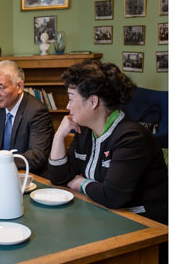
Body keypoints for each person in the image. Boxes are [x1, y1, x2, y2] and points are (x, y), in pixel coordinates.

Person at [48, 60, 168, 225]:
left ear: (93, 102)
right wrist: (59, 136)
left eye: (71, 98)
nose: (68, 106)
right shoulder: (85, 131)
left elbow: (112, 196)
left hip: (144, 224)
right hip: (104, 214)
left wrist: (78, 182)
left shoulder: (131, 137)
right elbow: (58, 177)